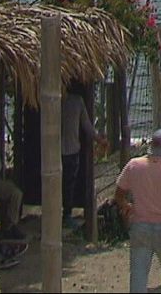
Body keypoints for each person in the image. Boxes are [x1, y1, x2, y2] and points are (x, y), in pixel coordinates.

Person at [116, 129, 161, 294]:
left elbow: (119, 194)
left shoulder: (134, 165)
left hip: (140, 226)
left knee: (138, 274)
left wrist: (126, 206)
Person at [61, 81, 101, 223]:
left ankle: (61, 215)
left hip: (59, 151)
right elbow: (87, 127)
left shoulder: (55, 100)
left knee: (61, 185)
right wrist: (99, 139)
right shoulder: (77, 101)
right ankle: (66, 215)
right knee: (68, 184)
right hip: (71, 150)